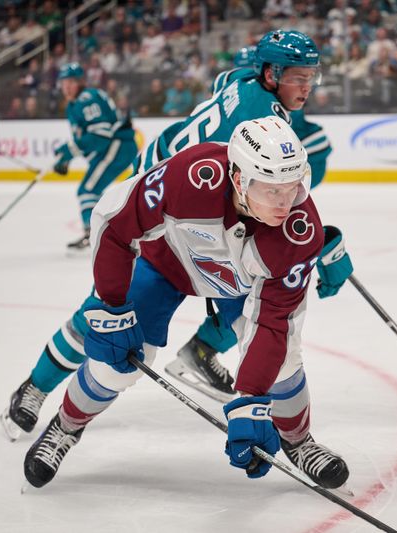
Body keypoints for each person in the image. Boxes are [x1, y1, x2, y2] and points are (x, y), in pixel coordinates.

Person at [0, 32, 352, 439]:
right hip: (171, 213)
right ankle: (34, 387)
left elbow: (225, 93)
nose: (307, 87)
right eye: (298, 77)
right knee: (107, 314)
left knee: (255, 305)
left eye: (312, 76)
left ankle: (208, 358)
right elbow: (242, 191)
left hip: (197, 204)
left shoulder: (240, 81)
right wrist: (318, 245)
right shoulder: (261, 121)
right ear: (271, 73)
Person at [21, 116, 350, 491]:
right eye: (272, 190)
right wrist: (111, 305)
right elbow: (115, 224)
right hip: (166, 267)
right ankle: (65, 426)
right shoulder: (192, 176)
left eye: (293, 187)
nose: (286, 203)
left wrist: (251, 401)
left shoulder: (300, 232)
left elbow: (273, 323)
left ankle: (299, 441)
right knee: (117, 365)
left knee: (284, 360)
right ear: (239, 179)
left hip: (237, 284)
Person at [52, 62, 139, 250]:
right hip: (113, 147)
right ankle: (103, 234)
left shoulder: (87, 98)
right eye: (63, 82)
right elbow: (85, 139)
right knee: (91, 192)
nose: (66, 86)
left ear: (80, 82)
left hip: (118, 146)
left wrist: (68, 151)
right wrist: (67, 157)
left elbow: (101, 136)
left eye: (71, 82)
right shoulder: (73, 105)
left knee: (88, 190)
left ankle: (94, 235)